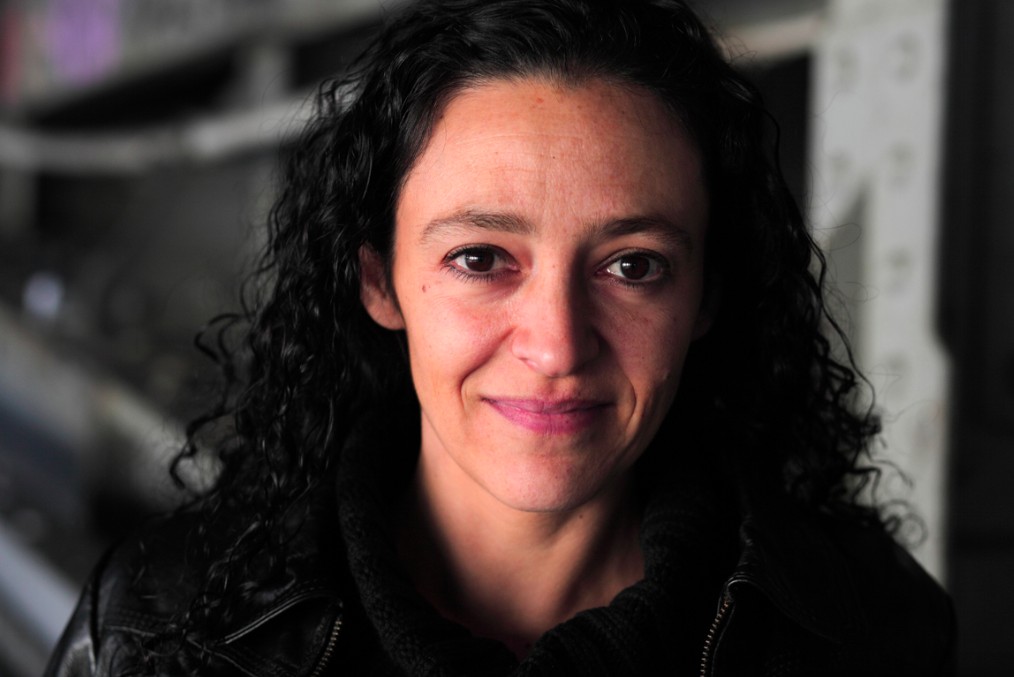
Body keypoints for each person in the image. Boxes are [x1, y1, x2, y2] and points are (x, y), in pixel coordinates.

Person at [45, 0, 955, 675]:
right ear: (379, 282)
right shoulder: (154, 631)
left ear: (706, 296)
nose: (557, 346)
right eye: (481, 259)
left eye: (633, 265)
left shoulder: (871, 634)